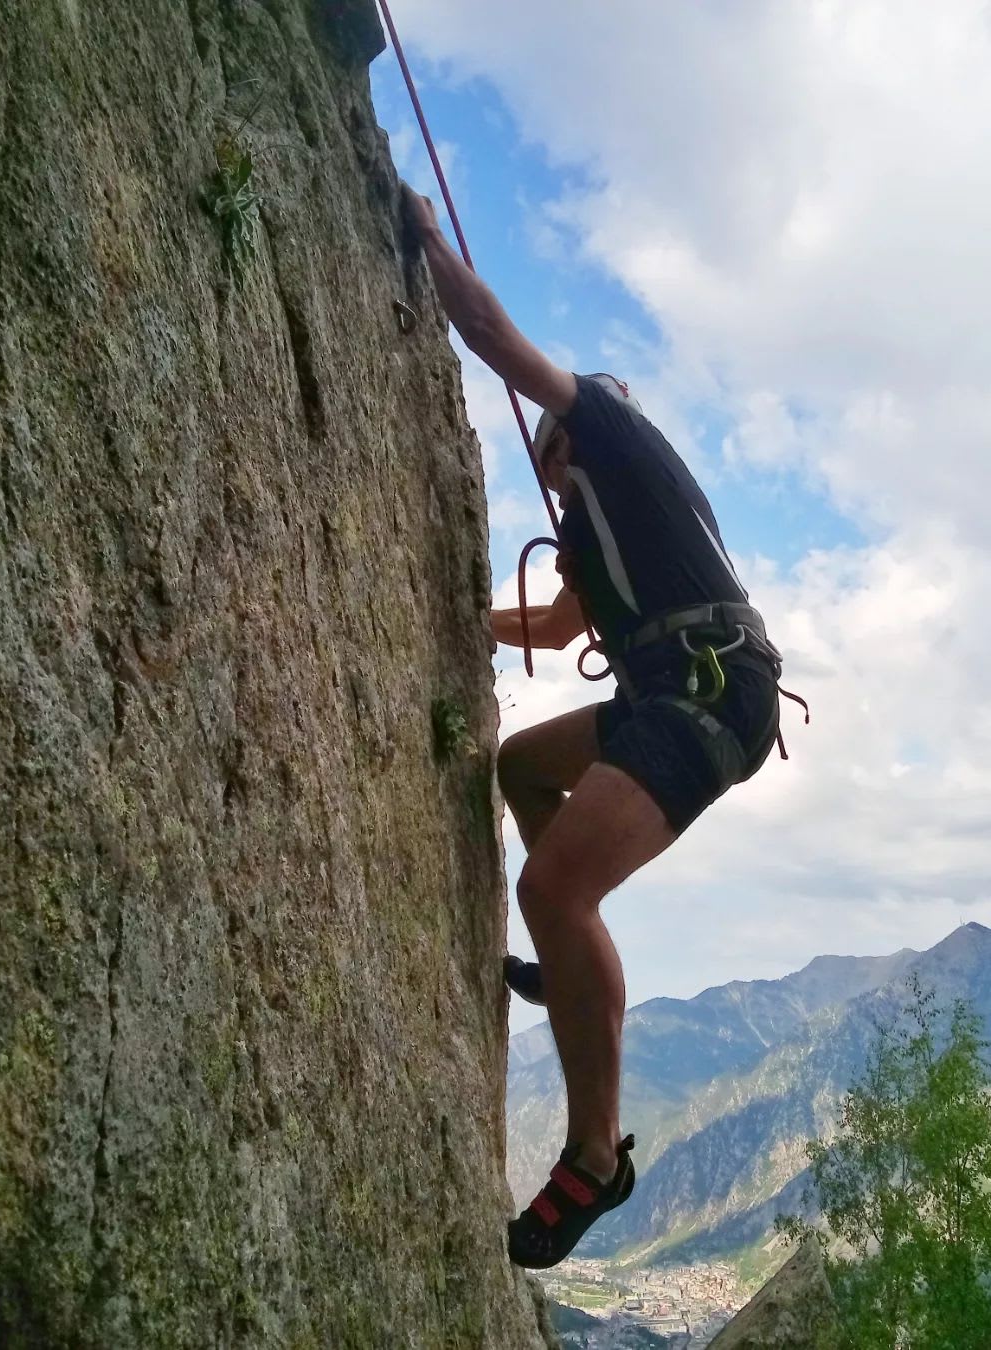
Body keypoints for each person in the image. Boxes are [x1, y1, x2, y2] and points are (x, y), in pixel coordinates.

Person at [403, 185, 784, 1269]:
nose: (546, 464)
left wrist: (427, 238)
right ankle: (564, 958)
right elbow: (564, 621)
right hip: (682, 684)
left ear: (578, 428)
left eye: (550, 448)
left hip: (708, 690)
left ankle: (592, 1159)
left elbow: (488, 334)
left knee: (556, 887)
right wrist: (468, 621)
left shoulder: (613, 432)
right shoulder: (597, 516)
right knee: (524, 766)